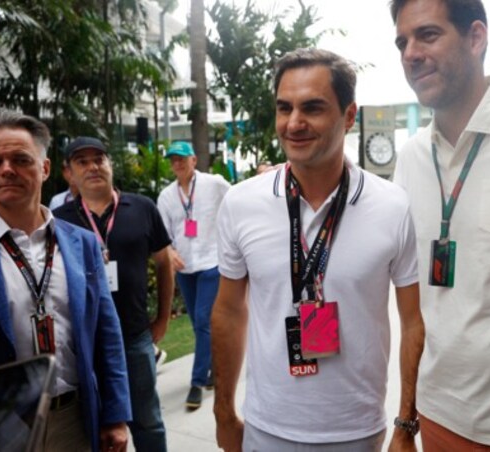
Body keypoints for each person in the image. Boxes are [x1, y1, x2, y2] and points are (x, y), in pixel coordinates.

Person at [211, 48, 423, 452]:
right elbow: (228, 311)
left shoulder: (392, 206)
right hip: (266, 427)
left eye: (312, 107)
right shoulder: (241, 204)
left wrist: (405, 424)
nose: (294, 123)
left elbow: (413, 322)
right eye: (284, 108)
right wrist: (224, 411)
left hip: (358, 431)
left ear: (348, 115)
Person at [390, 0, 490, 450]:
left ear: (476, 37)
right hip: (435, 414)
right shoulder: (411, 158)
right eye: (402, 42)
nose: (410, 53)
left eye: (428, 35)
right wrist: (406, 420)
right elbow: (415, 311)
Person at [0, 111, 130, 452]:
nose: (7, 169)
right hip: (0, 426)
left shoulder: (80, 242)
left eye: (21, 160)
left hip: (75, 418)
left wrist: (116, 415)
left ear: (45, 168)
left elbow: (107, 335)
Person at [53, 136, 173, 452]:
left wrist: (162, 317)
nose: (93, 166)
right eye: (82, 161)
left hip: (134, 336)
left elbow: (164, 263)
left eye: (99, 159)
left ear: (110, 164)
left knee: (148, 422)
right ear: (69, 174)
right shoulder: (61, 220)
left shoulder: (142, 208)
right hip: (85, 342)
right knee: (94, 428)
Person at [157, 140, 230, 409]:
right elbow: (163, 233)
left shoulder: (215, 184)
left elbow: (236, 203)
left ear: (193, 161)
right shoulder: (166, 196)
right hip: (185, 267)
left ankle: (197, 382)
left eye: (182, 159)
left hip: (212, 261)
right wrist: (170, 252)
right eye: (173, 159)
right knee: (200, 326)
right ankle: (211, 370)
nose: (177, 164)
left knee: (202, 320)